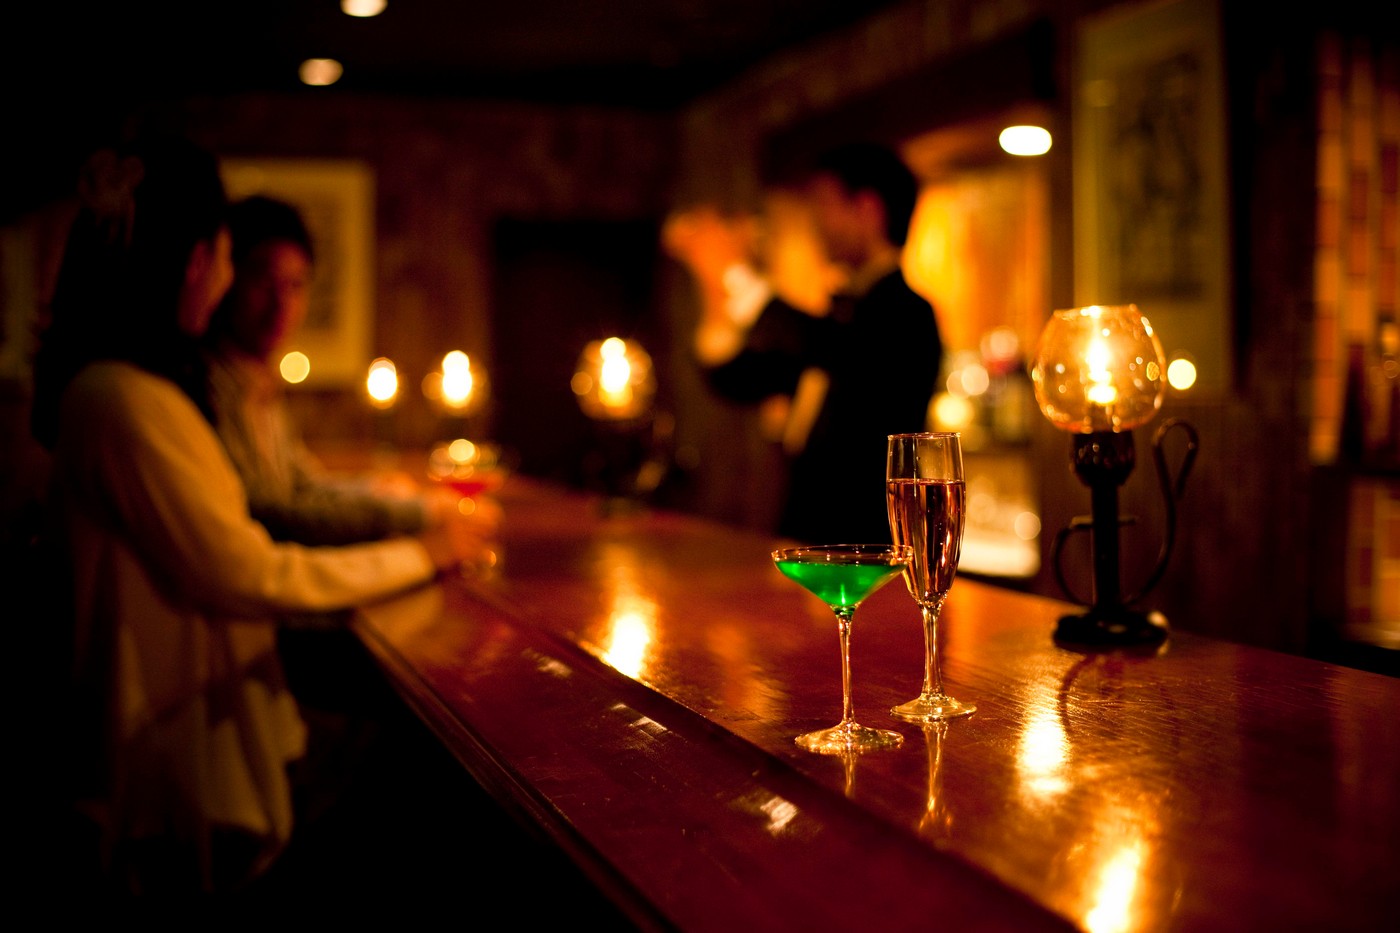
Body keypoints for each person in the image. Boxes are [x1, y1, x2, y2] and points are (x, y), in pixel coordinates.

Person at [30, 136, 489, 894]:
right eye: (225, 258)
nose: (224, 284)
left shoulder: (126, 390)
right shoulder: (127, 400)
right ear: (192, 262)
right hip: (160, 738)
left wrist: (410, 520)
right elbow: (252, 567)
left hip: (166, 721)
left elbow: (287, 501)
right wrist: (423, 549)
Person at [666, 142, 943, 544]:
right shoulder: (838, 318)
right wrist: (711, 280)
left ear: (867, 210)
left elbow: (837, 351)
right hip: (806, 529)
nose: (816, 221)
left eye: (826, 205)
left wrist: (733, 272)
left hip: (865, 540)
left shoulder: (907, 314)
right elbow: (739, 379)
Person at [203, 195, 460, 547]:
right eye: (264, 282)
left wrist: (377, 490)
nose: (281, 305)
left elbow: (301, 486)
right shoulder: (209, 386)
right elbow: (269, 515)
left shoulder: (256, 382)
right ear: (227, 278)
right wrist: (419, 512)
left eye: (296, 285)